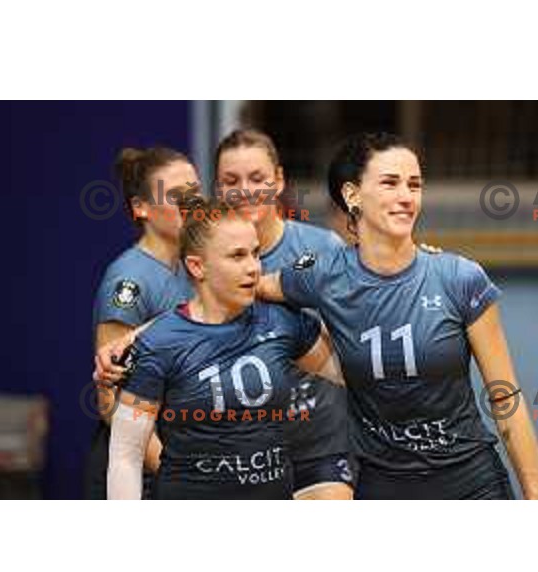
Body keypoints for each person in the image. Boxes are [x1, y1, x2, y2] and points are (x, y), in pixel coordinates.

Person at [258, 132, 538, 499]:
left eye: (414, 185)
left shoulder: (458, 277)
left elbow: (506, 399)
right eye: (390, 183)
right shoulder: (324, 275)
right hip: (384, 485)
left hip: (471, 483)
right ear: (352, 195)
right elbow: (253, 286)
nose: (406, 197)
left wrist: (537, 500)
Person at [108, 200, 343, 499]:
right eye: (237, 256)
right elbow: (126, 455)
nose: (253, 268)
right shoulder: (159, 342)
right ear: (197, 266)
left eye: (256, 253)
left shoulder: (282, 320)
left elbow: (353, 373)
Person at [213, 129, 353, 499]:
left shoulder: (324, 248)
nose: (245, 189)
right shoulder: (205, 263)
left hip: (321, 446)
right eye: (231, 181)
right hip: (241, 454)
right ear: (217, 189)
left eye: (257, 178)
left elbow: (360, 339)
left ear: (279, 180)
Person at [86, 146, 200, 499]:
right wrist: (171, 472)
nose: (192, 203)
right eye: (177, 195)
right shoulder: (129, 280)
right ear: (141, 208)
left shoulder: (195, 265)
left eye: (195, 191)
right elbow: (111, 400)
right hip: (144, 469)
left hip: (183, 451)